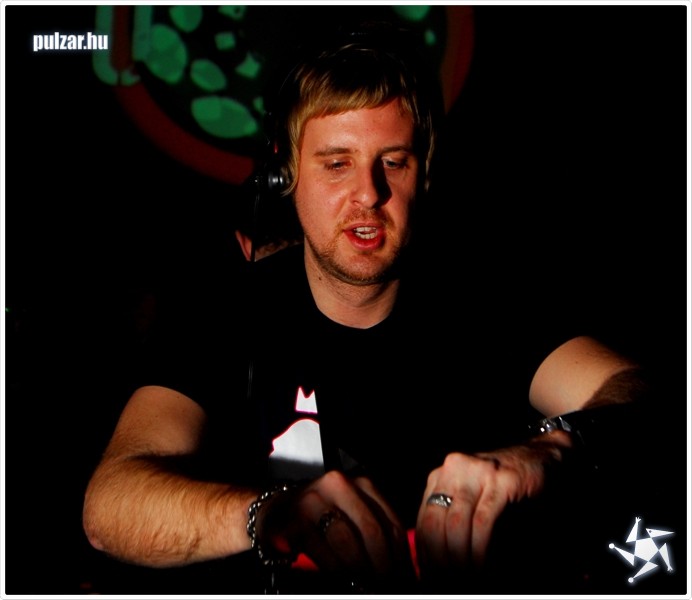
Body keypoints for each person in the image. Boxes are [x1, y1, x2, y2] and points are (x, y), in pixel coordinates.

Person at [82, 23, 653, 594]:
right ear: (286, 174)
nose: (369, 193)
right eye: (337, 163)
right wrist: (269, 515)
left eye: (394, 162)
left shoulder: (487, 299)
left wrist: (551, 449)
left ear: (423, 171)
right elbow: (111, 506)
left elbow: (640, 394)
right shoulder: (224, 311)